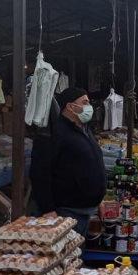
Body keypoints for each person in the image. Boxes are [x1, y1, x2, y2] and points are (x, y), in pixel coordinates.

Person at [37, 87, 106, 235]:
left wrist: (99, 199)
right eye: (85, 102)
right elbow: (40, 172)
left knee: (79, 255)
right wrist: (47, 209)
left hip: (88, 209)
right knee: (68, 255)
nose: (89, 107)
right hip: (68, 212)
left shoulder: (84, 129)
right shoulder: (54, 133)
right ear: (70, 106)